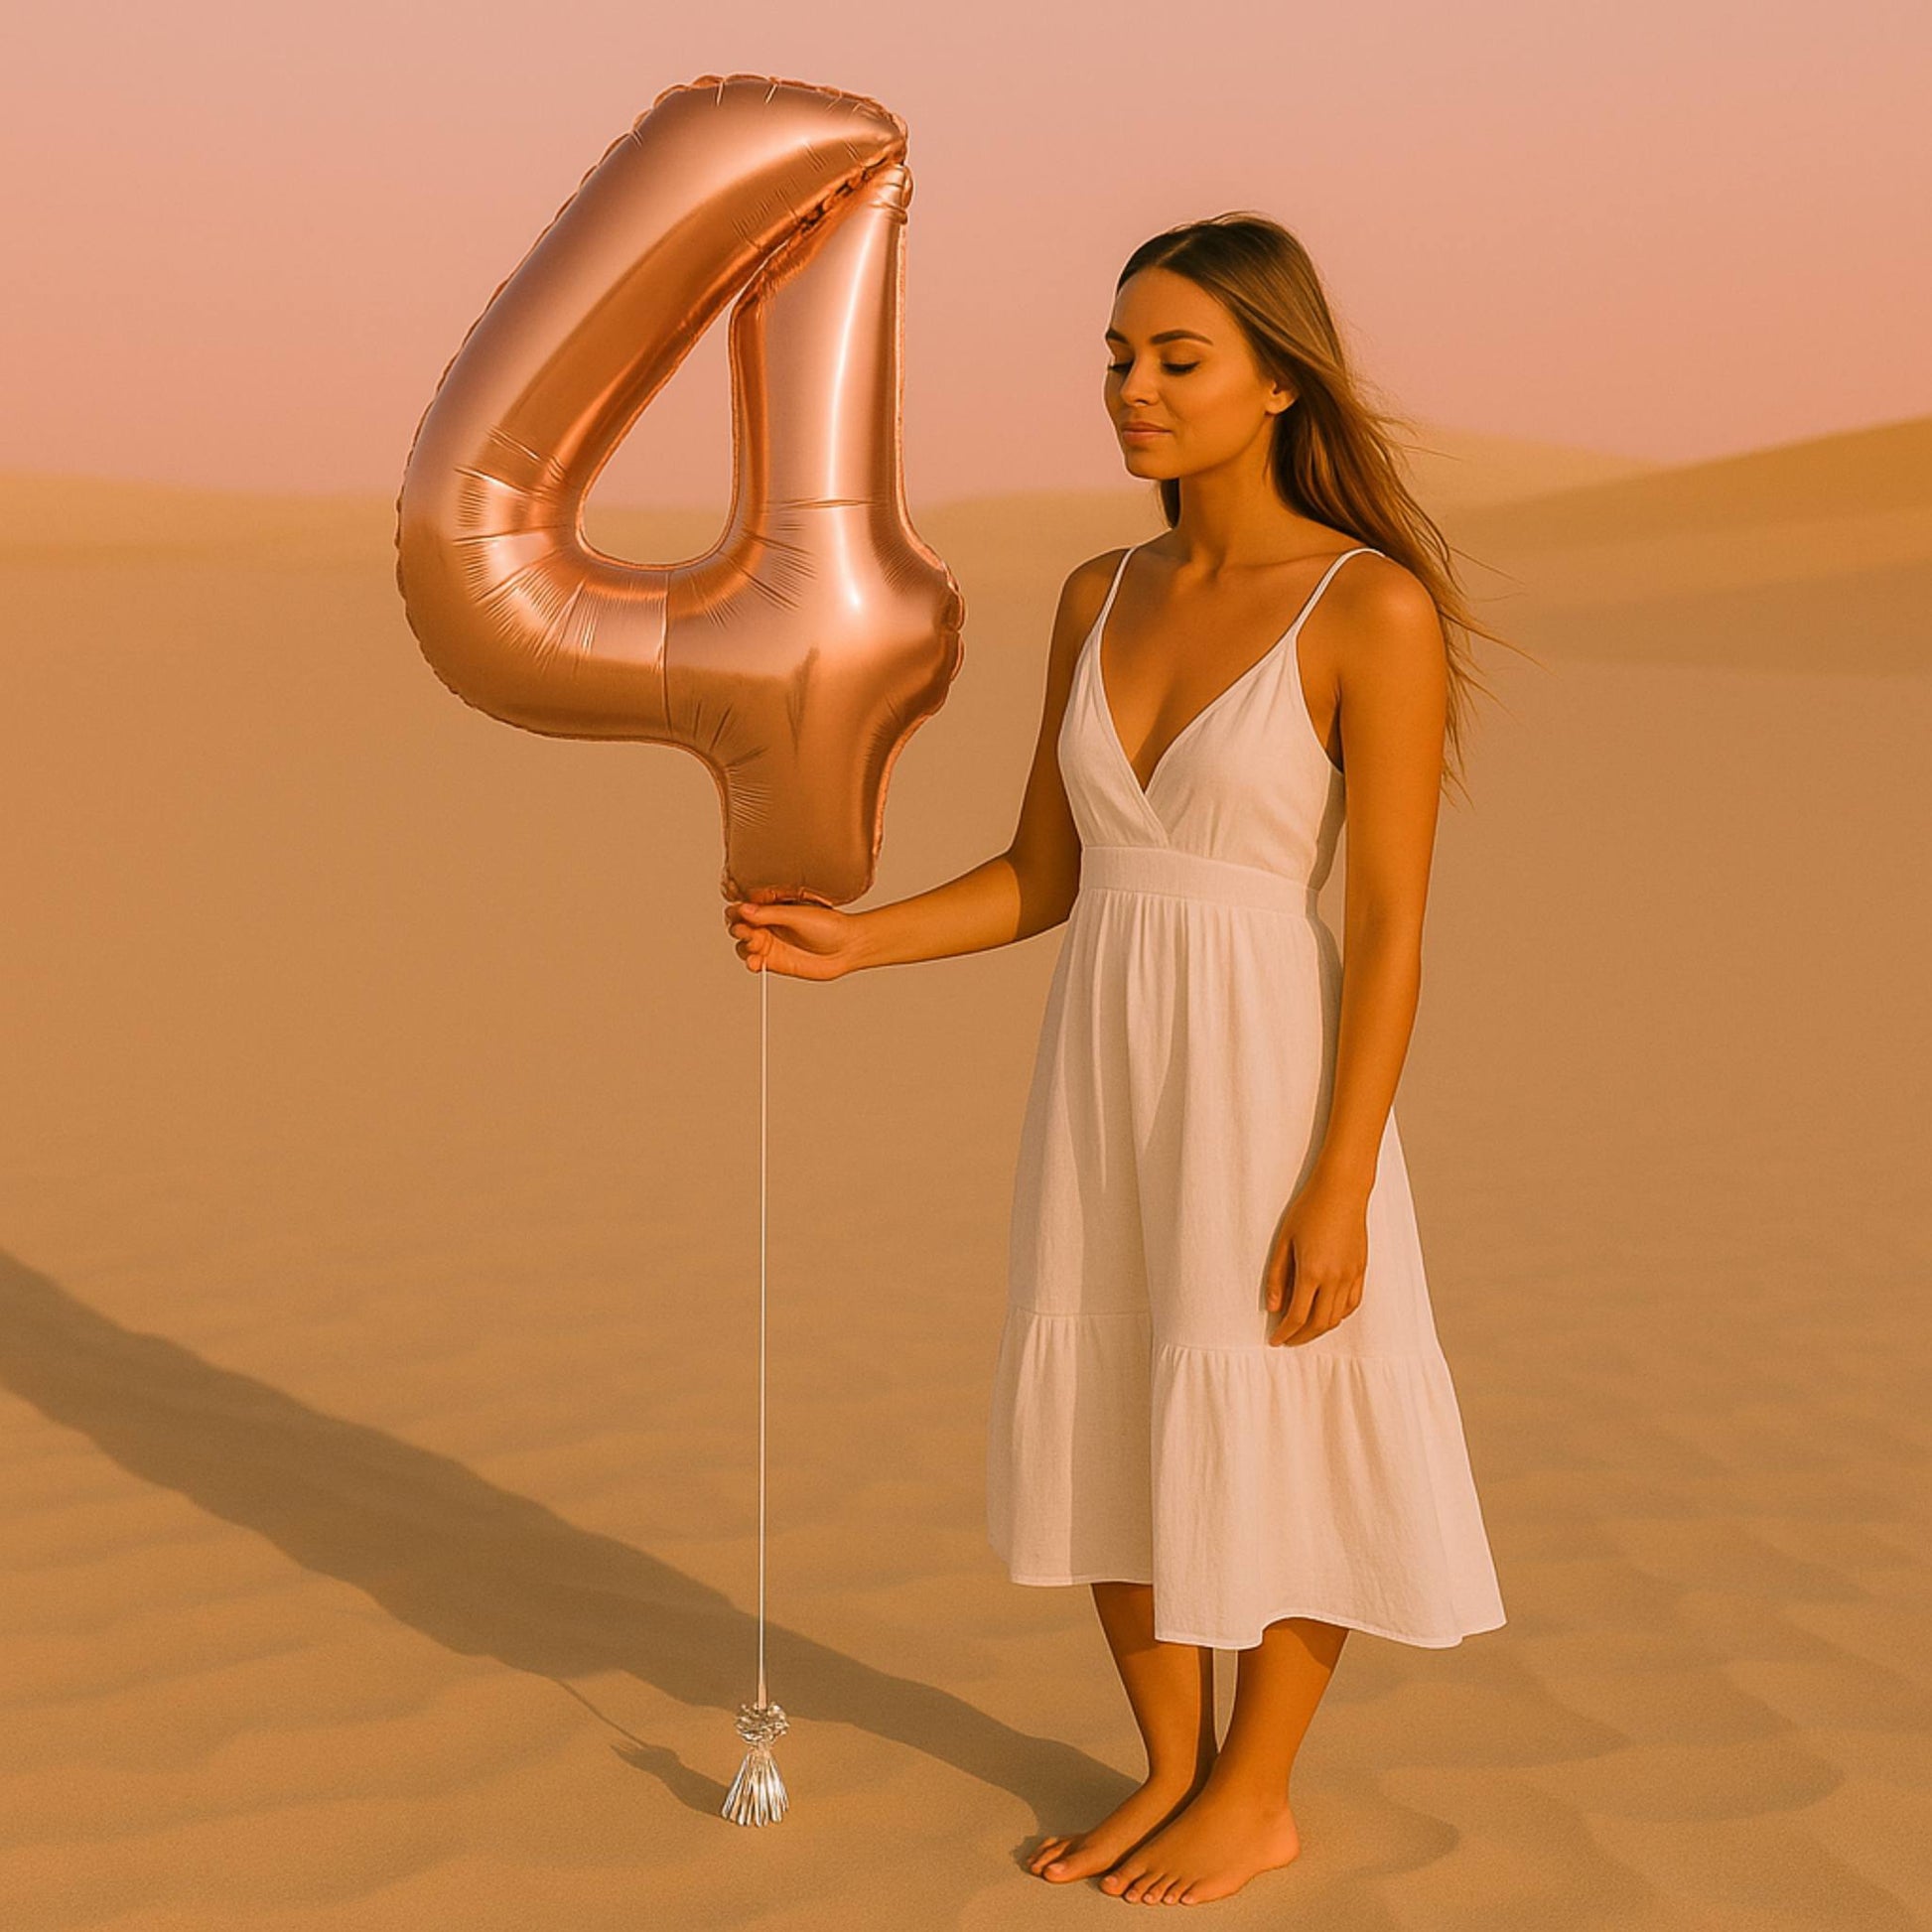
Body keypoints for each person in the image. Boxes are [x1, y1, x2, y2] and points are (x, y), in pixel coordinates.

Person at [724, 211, 1511, 1907]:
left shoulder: (1366, 606)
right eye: (1114, 356)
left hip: (1272, 1077)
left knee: (1288, 1404)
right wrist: (856, 938)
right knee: (1110, 1389)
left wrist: (1339, 1174)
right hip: (1103, 1069)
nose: (1129, 391)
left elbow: (1387, 928)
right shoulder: (1101, 591)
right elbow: (1051, 873)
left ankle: (1258, 1786)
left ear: (1278, 382)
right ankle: (1170, 1761)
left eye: (1173, 359)